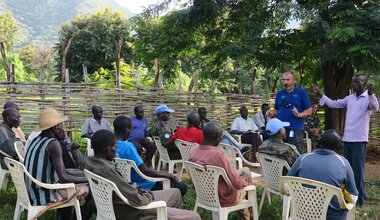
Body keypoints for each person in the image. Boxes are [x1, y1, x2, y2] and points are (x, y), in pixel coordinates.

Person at [86, 129, 200, 220]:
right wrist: (148, 195)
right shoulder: (107, 170)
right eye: (114, 147)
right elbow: (138, 200)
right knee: (194, 217)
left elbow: (124, 188)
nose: (116, 150)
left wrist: (138, 189)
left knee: (175, 192)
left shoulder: (92, 163)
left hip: (121, 204)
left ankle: (166, 215)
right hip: (133, 210)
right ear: (107, 150)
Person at [311, 74, 379, 206]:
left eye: (357, 82)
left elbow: (375, 107)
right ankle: (351, 194)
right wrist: (320, 94)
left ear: (364, 85)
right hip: (347, 139)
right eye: (353, 82)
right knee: (347, 169)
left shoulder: (368, 99)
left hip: (360, 140)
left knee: (358, 170)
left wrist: (371, 94)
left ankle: (359, 199)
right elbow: (333, 104)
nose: (354, 85)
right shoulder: (350, 98)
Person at [24, 108, 94, 220]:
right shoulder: (53, 144)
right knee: (94, 189)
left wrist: (81, 177)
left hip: (31, 189)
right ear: (55, 128)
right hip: (44, 194)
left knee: (75, 175)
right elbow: (64, 178)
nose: (62, 129)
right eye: (60, 126)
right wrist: (89, 179)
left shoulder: (36, 140)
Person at [288, 129, 358, 219]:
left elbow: (286, 185)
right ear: (339, 146)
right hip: (331, 216)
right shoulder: (343, 163)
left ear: (320, 142)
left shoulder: (302, 158)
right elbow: (353, 197)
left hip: (302, 213)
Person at [189, 122, 252, 220]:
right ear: (218, 137)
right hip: (223, 198)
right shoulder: (218, 155)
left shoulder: (193, 150)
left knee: (245, 169)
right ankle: (247, 216)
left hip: (204, 194)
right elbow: (236, 183)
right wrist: (245, 180)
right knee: (245, 178)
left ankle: (245, 214)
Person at [114, 116, 187, 196]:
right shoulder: (127, 147)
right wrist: (168, 175)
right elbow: (144, 170)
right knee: (182, 187)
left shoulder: (111, 145)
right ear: (126, 130)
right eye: (131, 129)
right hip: (144, 185)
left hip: (127, 183)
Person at [266, 70, 312, 154]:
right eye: (283, 80)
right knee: (280, 153)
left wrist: (299, 114)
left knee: (295, 152)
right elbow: (277, 110)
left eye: (288, 80)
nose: (285, 82)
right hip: (280, 129)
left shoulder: (301, 92)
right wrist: (272, 113)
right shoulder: (279, 94)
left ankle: (298, 167)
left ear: (293, 80)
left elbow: (309, 111)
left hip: (295, 128)